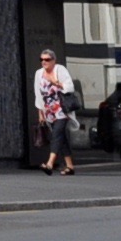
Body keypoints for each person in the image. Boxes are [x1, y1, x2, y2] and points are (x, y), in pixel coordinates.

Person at [33, 47, 79, 175]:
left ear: (54, 60)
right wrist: (40, 113)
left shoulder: (60, 70)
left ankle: (49, 164)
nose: (44, 62)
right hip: (49, 111)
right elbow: (38, 94)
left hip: (61, 109)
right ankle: (70, 166)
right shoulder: (38, 73)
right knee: (61, 137)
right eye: (41, 59)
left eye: (47, 59)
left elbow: (70, 87)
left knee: (56, 135)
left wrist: (56, 83)